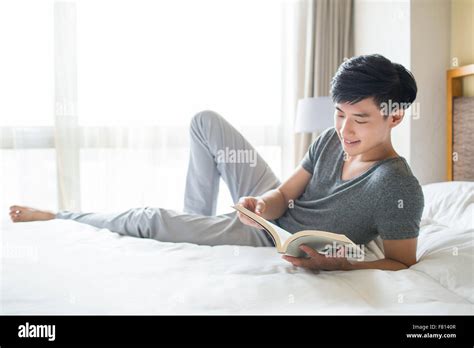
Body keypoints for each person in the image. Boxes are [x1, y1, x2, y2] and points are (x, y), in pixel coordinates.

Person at [9, 54, 424, 272]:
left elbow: (401, 261)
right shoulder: (331, 141)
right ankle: (196, 221)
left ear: (394, 115)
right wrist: (262, 204)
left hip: (277, 241)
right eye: (339, 113)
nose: (344, 129)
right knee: (204, 121)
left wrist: (339, 264)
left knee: (151, 218)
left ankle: (59, 214)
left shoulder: (397, 185)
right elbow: (285, 192)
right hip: (273, 221)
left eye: (360, 119)